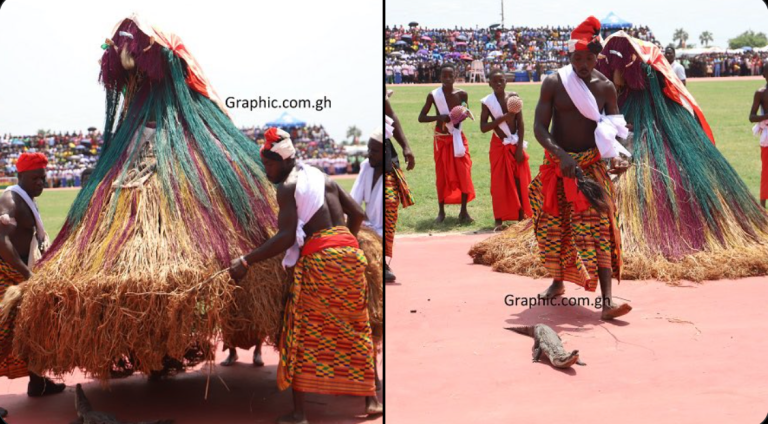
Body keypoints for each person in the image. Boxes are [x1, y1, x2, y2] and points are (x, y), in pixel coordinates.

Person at [229, 128, 382, 424]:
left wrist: (246, 260)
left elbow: (286, 237)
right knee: (356, 327)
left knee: (300, 332)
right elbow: (357, 215)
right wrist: (343, 242)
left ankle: (300, 414)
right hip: (351, 259)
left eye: (270, 165)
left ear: (284, 162)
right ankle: (372, 401)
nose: (267, 171)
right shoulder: (323, 178)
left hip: (322, 264)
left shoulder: (287, 186)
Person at [531, 16, 631, 320]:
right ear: (569, 56)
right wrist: (561, 155)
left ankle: (607, 302)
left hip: (589, 168)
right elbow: (539, 127)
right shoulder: (553, 82)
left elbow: (614, 129)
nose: (583, 64)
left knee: (601, 230)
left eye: (589, 58)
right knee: (555, 228)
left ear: (597, 57)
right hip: (559, 167)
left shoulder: (605, 88)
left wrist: (619, 157)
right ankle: (557, 282)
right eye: (577, 58)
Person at [0, 153, 66, 398]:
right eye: (35, 177)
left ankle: (37, 383)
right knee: (3, 334)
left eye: (43, 177)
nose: (41, 182)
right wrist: (27, 274)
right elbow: (1, 241)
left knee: (31, 329)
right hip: (8, 277)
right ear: (20, 176)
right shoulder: (10, 200)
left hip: (22, 275)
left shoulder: (26, 199)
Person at [418, 62, 475, 224]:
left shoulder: (462, 94)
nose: (448, 79)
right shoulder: (434, 95)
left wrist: (461, 115)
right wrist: (439, 117)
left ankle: (463, 211)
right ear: (440, 77)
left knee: (464, 173)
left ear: (455, 76)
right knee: (442, 176)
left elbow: (466, 110)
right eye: (444, 76)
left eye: (451, 75)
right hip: (442, 140)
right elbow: (421, 117)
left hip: (457, 137)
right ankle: (441, 211)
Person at [480, 68, 532, 231]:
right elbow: (483, 127)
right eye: (494, 81)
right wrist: (502, 118)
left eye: (501, 80)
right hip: (499, 145)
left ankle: (521, 215)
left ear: (506, 81)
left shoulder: (513, 97)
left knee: (520, 179)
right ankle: (499, 218)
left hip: (515, 144)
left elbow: (521, 123)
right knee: (499, 182)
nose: (498, 84)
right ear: (489, 83)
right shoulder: (487, 102)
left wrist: (519, 147)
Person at [381, 92, 416, 282]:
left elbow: (391, 115)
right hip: (365, 156)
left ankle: (383, 261)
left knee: (390, 203)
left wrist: (406, 147)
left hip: (385, 155)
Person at [750, 64, 768, 208]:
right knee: (766, 171)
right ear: (764, 74)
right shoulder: (760, 93)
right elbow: (752, 116)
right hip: (767, 136)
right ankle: (762, 206)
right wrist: (766, 116)